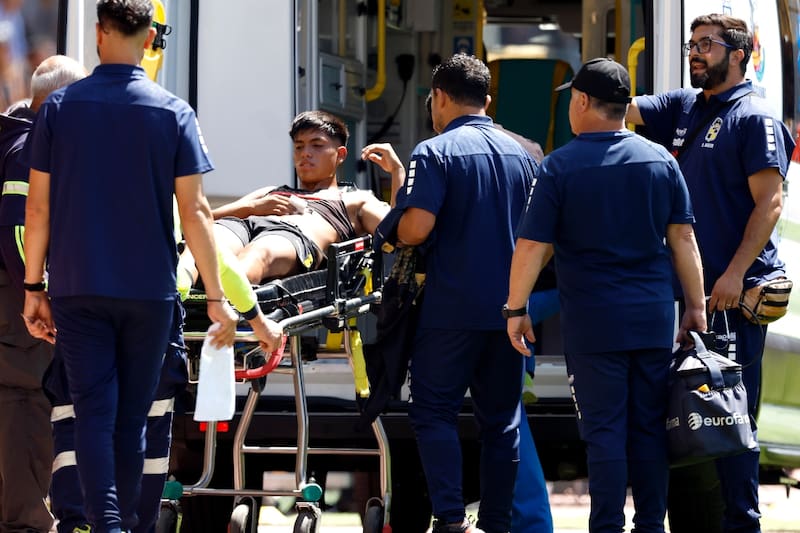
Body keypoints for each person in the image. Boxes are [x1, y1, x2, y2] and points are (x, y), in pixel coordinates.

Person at [21, 2, 279, 532]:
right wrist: (217, 297)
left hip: (78, 286)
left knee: (93, 412)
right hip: (149, 292)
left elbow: (37, 208)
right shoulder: (172, 112)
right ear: (149, 39)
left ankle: (109, 526)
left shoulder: (58, 109)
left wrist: (33, 285)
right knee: (134, 418)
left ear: (99, 33)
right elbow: (197, 213)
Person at [505, 57, 707, 532]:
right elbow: (683, 239)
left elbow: (534, 245)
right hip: (653, 319)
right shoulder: (660, 160)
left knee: (604, 433)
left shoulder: (559, 167)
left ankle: (607, 526)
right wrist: (695, 307)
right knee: (651, 428)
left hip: (594, 325)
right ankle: (652, 525)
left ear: (580, 101)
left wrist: (517, 308)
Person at [626, 13, 794, 533]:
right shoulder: (682, 106)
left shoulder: (754, 116)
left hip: (730, 300)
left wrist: (734, 275)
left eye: (707, 45)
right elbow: (622, 109)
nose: (695, 53)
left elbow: (769, 203)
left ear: (738, 54)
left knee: (730, 421)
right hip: (685, 298)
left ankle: (744, 523)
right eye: (691, 44)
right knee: (683, 422)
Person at [381, 53, 535, 533]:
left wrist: (391, 226)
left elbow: (417, 227)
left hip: (450, 309)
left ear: (440, 98)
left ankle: (449, 519)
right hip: (511, 309)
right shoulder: (527, 153)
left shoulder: (433, 152)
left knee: (432, 411)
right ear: (487, 101)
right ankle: (495, 522)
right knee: (502, 422)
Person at [0, 54, 85, 533]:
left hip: (16, 297)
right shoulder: (32, 144)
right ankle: (28, 522)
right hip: (18, 302)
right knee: (26, 405)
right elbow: (18, 227)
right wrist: (38, 291)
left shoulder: (22, 137)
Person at [177, 110, 391, 290]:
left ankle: (229, 300)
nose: (305, 153)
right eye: (299, 147)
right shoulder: (272, 191)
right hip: (242, 225)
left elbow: (397, 234)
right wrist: (253, 207)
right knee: (207, 238)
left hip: (292, 235)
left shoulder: (354, 200)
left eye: (316, 145)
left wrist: (397, 173)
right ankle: (181, 287)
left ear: (340, 155)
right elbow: (197, 220)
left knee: (260, 252)